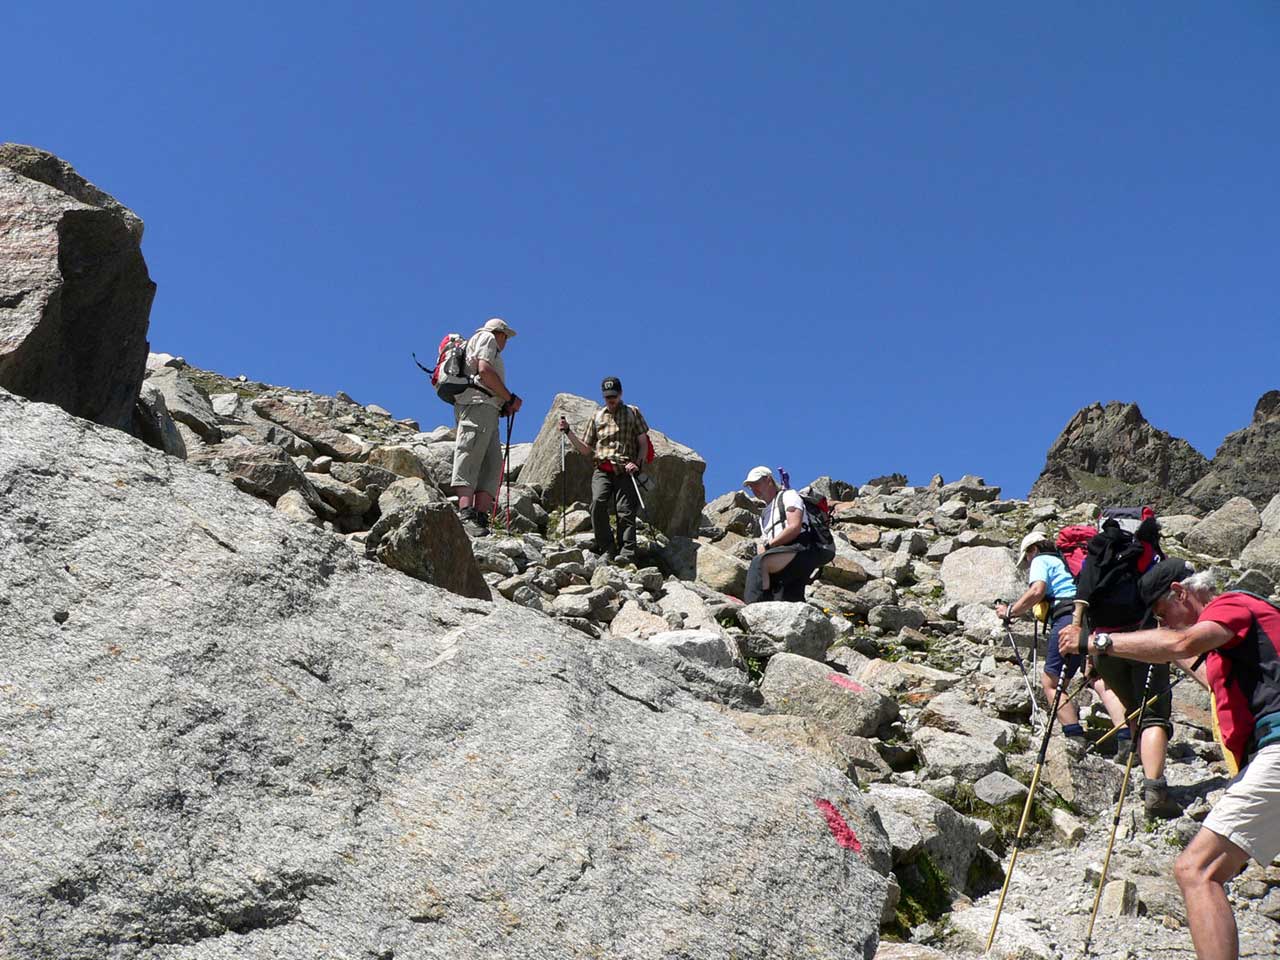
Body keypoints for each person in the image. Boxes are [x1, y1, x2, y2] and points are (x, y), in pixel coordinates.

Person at [1060, 559, 1280, 960]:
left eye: (1163, 614)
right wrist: (1162, 646)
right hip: (1266, 751)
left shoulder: (1230, 604)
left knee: (1196, 871)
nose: (1163, 624)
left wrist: (1097, 641)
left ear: (1180, 592)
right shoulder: (1234, 639)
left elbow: (1182, 644)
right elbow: (1196, 666)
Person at [996, 531, 1129, 748]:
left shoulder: (1041, 559)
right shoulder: (1068, 563)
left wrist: (1010, 611)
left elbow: (1037, 591)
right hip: (1094, 618)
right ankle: (1126, 738)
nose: (1028, 563)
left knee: (1051, 683)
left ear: (1033, 549)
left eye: (1027, 558)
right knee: (1096, 677)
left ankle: (1074, 738)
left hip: (1068, 618)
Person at [558, 376, 650, 564]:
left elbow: (643, 443)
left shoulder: (633, 412)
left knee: (625, 510)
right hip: (602, 468)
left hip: (626, 468)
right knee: (598, 503)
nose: (611, 400)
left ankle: (627, 553)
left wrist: (637, 463)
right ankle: (607, 548)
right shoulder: (597, 416)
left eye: (614, 396)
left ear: (621, 394)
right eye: (608, 397)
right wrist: (568, 432)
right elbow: (586, 449)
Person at [450, 318, 521, 537]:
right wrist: (509, 398)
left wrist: (502, 403)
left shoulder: (483, 342)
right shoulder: (487, 338)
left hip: (488, 408)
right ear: (500, 333)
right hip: (478, 406)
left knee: (492, 462)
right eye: (506, 336)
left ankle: (479, 517)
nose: (506, 342)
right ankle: (466, 513)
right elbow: (484, 371)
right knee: (471, 455)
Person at [742, 466, 824, 603]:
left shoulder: (789, 496)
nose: (754, 489)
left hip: (800, 547)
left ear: (769, 480)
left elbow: (794, 527)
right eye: (751, 486)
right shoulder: (764, 514)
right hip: (783, 553)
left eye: (756, 483)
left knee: (759, 563)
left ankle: (752, 607)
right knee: (786, 598)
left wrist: (768, 546)